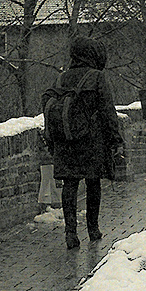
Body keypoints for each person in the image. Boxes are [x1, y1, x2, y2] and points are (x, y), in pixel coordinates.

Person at [48, 36, 122, 249]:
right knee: (93, 183)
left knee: (70, 184)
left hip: (65, 139)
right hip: (91, 140)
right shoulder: (96, 77)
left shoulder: (61, 78)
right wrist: (115, 139)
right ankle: (92, 228)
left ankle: (70, 232)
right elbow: (108, 110)